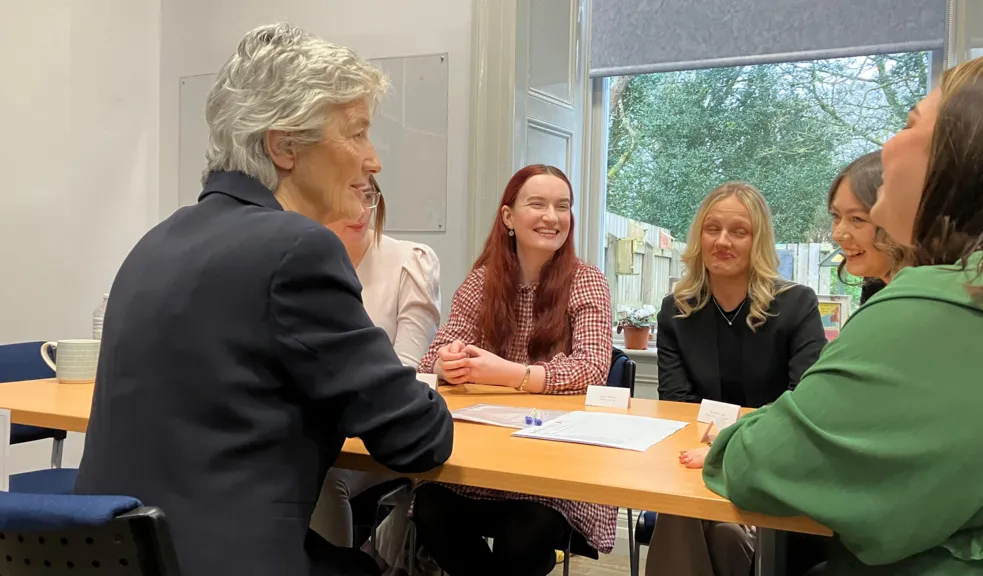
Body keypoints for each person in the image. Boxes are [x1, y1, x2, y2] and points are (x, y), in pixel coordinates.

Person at [74, 23, 454, 576]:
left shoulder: (155, 242)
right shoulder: (296, 249)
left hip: (113, 557)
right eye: (356, 134)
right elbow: (418, 439)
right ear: (285, 146)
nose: (373, 160)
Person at [702, 54, 983, 574]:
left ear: (962, 161)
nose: (887, 145)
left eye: (909, 122)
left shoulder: (939, 305)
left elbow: (754, 463)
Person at [411, 164, 616, 576]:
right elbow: (429, 360)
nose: (552, 217)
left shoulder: (587, 281)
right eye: (537, 204)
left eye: (563, 206)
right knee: (431, 509)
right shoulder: (480, 282)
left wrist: (509, 373)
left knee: (526, 535)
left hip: (557, 468)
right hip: (484, 460)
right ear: (508, 217)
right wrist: (448, 364)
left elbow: (592, 369)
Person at [646, 182, 827, 576]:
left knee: (700, 523)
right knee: (694, 516)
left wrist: (730, 446)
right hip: (694, 461)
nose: (723, 241)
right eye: (712, 229)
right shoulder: (676, 310)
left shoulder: (796, 304)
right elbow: (676, 402)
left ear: (757, 240)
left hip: (775, 462)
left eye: (739, 232)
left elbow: (805, 403)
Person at [310, 174, 442, 551]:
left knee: (326, 476)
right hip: (324, 426)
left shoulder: (409, 262)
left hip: (380, 428)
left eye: (368, 197)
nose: (359, 211)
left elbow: (406, 372)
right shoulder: (304, 264)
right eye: (344, 197)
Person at [827, 151, 911, 305]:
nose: (837, 234)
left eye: (857, 219)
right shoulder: (876, 286)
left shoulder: (929, 301)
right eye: (836, 216)